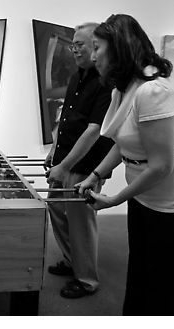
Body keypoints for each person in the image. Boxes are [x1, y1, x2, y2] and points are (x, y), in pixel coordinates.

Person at [78, 14, 174, 315]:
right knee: (140, 277)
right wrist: (96, 174)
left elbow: (162, 165)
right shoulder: (126, 88)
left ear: (119, 48)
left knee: (166, 291)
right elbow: (125, 145)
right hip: (145, 198)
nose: (92, 55)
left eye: (97, 47)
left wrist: (113, 199)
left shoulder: (153, 92)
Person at [44, 22, 114, 299]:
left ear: (96, 47)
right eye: (72, 45)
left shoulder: (104, 82)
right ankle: (73, 261)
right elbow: (67, 117)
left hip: (85, 167)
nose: (74, 50)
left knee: (81, 223)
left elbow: (94, 130)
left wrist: (64, 166)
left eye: (80, 45)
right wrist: (54, 150)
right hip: (64, 158)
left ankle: (86, 280)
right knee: (58, 211)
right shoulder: (78, 76)